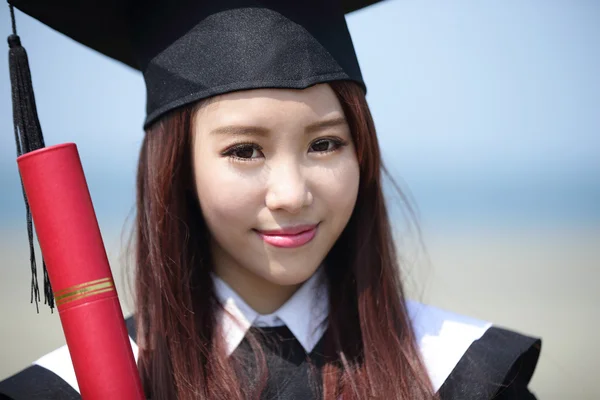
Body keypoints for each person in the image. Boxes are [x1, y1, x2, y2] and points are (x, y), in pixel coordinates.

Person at [0, 0, 541, 399]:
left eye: (325, 143)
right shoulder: (71, 388)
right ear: (178, 171)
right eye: (245, 150)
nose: (291, 194)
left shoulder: (465, 376)